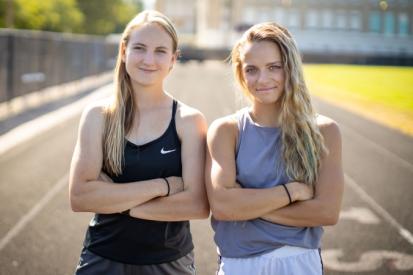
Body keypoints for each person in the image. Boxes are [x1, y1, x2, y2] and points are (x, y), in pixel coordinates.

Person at [69, 10, 209, 275]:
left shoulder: (188, 121)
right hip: (102, 257)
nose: (148, 60)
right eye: (140, 48)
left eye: (160, 51)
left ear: (173, 60)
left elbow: (197, 205)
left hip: (169, 262)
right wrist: (164, 186)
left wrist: (114, 200)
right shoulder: (98, 116)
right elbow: (80, 196)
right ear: (124, 51)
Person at [205, 22, 344, 275]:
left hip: (300, 262)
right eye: (252, 70)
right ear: (241, 73)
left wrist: (247, 205)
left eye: (274, 67)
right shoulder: (226, 131)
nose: (263, 79)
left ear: (290, 68)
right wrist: (292, 192)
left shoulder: (324, 131)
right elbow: (224, 207)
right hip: (239, 263)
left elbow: (326, 211)